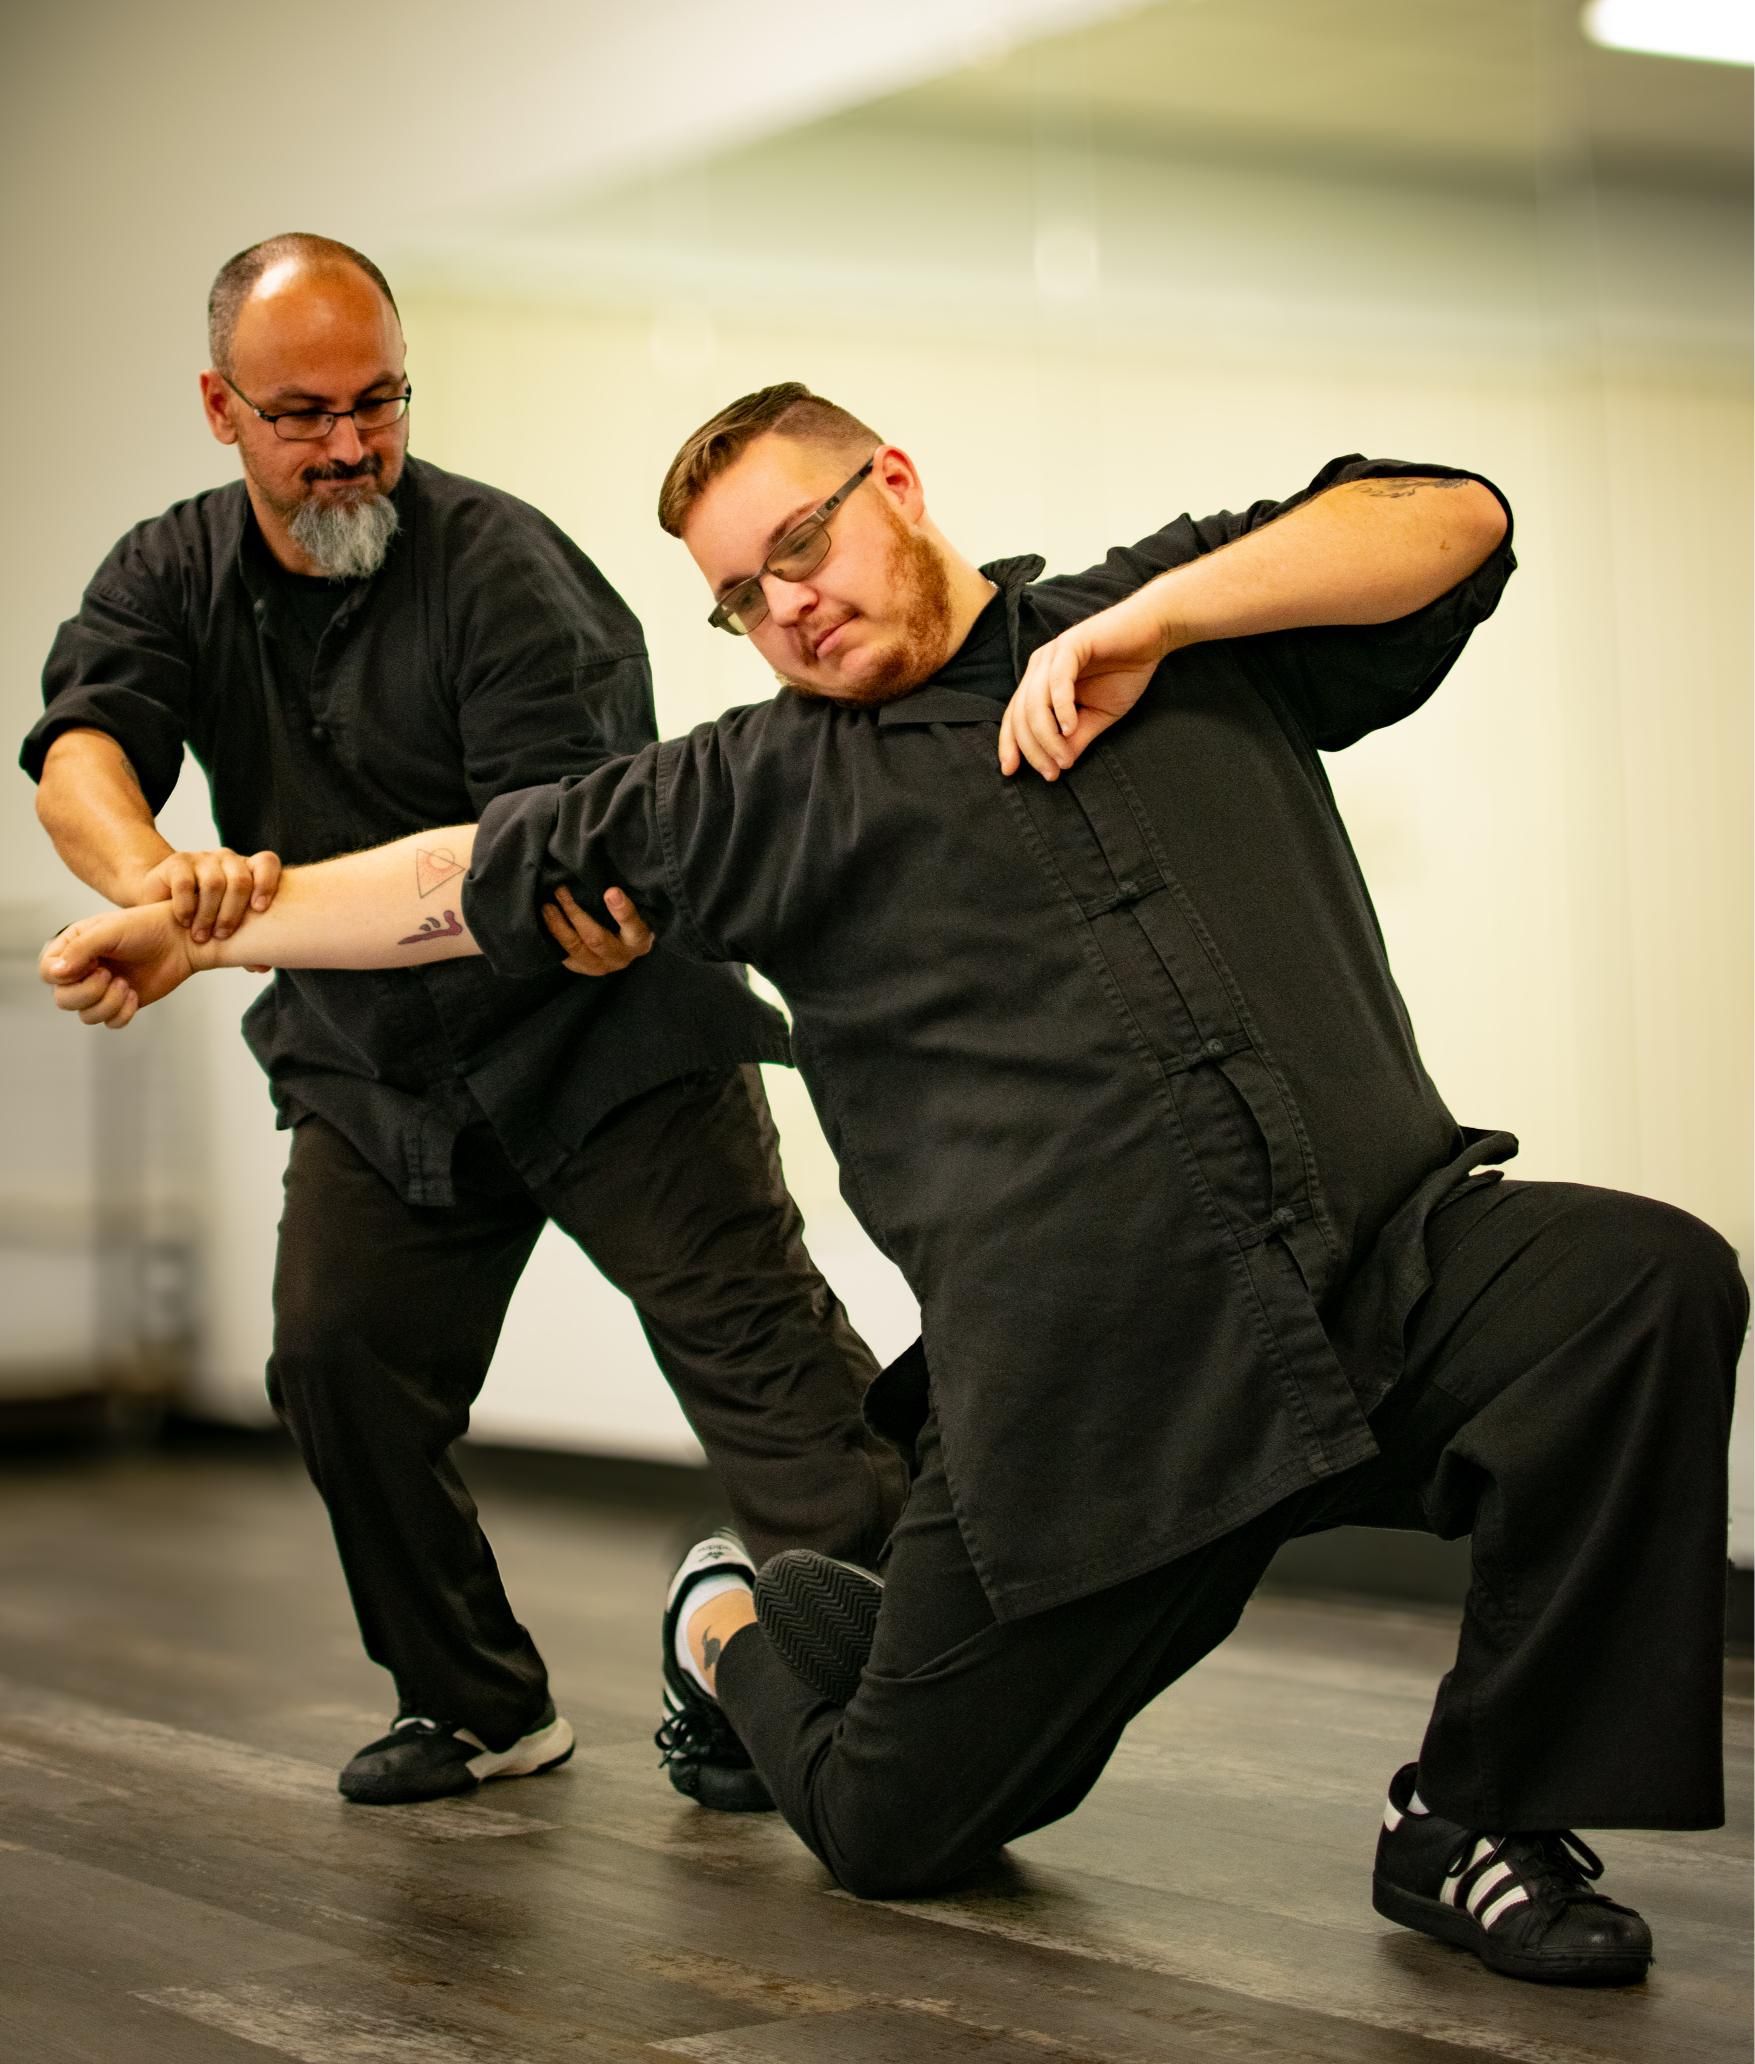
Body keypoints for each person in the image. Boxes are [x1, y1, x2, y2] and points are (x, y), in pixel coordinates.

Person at [41, 386, 1747, 1988]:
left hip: (1385, 1284)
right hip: (1086, 1419)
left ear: (898, 488)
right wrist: (197, 928)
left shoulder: (1170, 622)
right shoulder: (757, 790)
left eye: (800, 546)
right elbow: (453, 874)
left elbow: (1448, 515)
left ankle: (1472, 1816)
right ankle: (731, 1624)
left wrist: (1157, 624)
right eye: (735, 596)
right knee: (889, 1829)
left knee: (1641, 1283)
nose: (781, 605)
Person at [22, 280, 906, 1814]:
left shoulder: (504, 569)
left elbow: (521, 871)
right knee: (337, 1363)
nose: (350, 443)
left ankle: (912, 1703)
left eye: (380, 402)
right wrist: (161, 890)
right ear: (224, 409)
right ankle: (478, 1705)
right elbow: (84, 747)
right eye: (303, 415)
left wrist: (224, 924)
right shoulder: (169, 572)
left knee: (778, 1391)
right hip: (375, 1076)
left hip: (604, 1042)